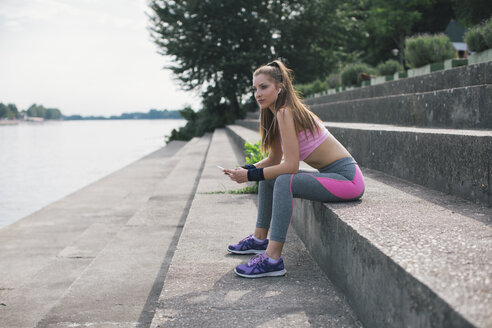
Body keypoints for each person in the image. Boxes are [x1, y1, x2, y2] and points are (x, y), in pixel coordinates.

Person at [223, 60, 365, 278]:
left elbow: (290, 166)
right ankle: (260, 239)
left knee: (283, 179)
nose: (258, 93)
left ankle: (272, 259)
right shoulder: (274, 114)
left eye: (264, 87)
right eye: (255, 88)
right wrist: (246, 169)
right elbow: (274, 159)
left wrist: (250, 175)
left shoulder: (286, 112)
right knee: (271, 178)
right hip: (333, 175)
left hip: (348, 180)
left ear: (279, 87)